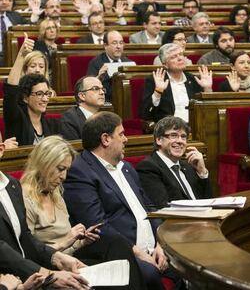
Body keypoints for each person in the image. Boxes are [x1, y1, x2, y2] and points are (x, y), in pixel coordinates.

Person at [63, 112, 176, 290]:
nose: (126, 139)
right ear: (106, 139)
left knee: (191, 267)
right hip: (121, 254)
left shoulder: (126, 168)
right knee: (150, 274)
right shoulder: (80, 172)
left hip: (154, 249)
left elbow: (149, 207)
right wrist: (136, 252)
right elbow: (97, 224)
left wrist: (160, 244)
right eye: (121, 134)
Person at [21, 136, 147, 290]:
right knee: (116, 281)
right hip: (48, 267)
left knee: (117, 245)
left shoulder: (55, 193)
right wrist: (66, 241)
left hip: (70, 258)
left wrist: (81, 241)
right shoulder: (24, 198)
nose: (64, 177)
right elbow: (27, 253)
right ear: (43, 163)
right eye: (60, 169)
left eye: (67, 170)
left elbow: (69, 243)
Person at [0, 140, 91, 289]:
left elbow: (25, 238)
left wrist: (56, 258)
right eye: (60, 168)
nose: (63, 176)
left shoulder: (12, 185)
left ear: (1, 149)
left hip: (27, 276)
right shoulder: (24, 190)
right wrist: (48, 274)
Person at [136, 116, 212, 208]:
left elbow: (208, 201)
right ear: (159, 140)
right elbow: (163, 207)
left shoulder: (188, 166)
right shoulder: (148, 167)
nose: (180, 141)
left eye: (183, 137)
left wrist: (202, 172)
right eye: (173, 135)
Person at [141, 43, 212, 124]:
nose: (180, 58)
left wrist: (207, 89)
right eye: (173, 57)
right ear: (165, 64)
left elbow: (207, 111)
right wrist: (158, 91)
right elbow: (146, 114)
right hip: (169, 127)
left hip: (195, 126)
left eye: (181, 54)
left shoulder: (193, 79)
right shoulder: (155, 80)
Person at [86, 30, 134, 102]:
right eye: (114, 43)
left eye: (121, 43)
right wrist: (98, 78)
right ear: (105, 46)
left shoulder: (129, 63)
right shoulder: (96, 63)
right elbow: (89, 90)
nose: (118, 46)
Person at [61, 76, 105, 140]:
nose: (102, 92)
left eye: (103, 89)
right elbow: (74, 148)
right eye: (95, 89)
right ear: (82, 96)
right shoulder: (69, 119)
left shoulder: (105, 117)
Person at [0, 0, 29, 65]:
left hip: (13, 55)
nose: (4, 2)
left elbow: (30, 27)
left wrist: (35, 13)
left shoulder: (15, 16)